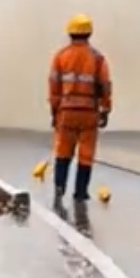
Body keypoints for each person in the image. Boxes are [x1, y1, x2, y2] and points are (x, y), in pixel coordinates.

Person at [48, 14, 112, 206]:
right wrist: (105, 109)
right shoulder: (98, 59)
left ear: (70, 33)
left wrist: (54, 112)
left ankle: (59, 188)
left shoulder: (60, 56)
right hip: (89, 113)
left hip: (66, 112)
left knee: (63, 151)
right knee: (86, 153)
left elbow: (53, 87)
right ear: (89, 33)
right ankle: (81, 192)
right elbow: (105, 86)